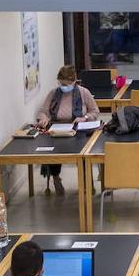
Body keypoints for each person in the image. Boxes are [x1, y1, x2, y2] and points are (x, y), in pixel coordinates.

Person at [35, 65, 102, 195]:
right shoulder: (53, 93)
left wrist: (85, 117)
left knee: (83, 154)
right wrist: (43, 119)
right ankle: (55, 177)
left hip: (78, 130)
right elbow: (43, 111)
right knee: (54, 152)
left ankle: (87, 182)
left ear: (74, 81)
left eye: (67, 84)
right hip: (57, 129)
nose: (64, 87)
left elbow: (95, 111)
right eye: (61, 83)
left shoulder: (83, 92)